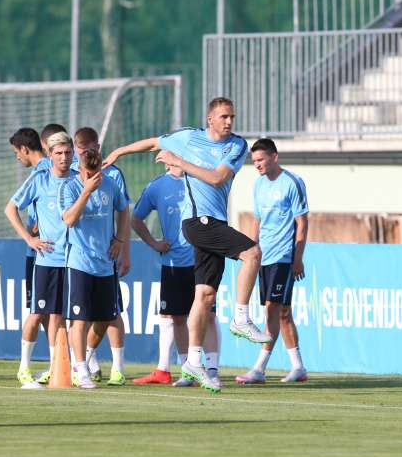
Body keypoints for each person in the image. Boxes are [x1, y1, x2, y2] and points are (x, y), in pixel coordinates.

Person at [104, 97, 268, 393]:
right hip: (197, 223)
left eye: (232, 116)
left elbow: (218, 179)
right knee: (252, 253)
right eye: (223, 117)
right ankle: (242, 317)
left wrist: (180, 162)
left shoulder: (237, 145)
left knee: (204, 296)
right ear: (210, 119)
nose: (229, 121)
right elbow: (154, 142)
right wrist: (119, 151)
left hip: (215, 223)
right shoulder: (189, 138)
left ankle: (193, 360)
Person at [131, 163, 222, 386]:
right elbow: (135, 218)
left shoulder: (201, 180)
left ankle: (211, 370)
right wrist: (154, 243)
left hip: (202, 259)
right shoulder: (157, 186)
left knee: (208, 315)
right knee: (178, 318)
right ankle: (188, 371)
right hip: (173, 264)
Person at [235, 139, 309, 385]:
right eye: (254, 161)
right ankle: (298, 367)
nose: (257, 165)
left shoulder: (292, 183)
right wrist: (250, 250)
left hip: (283, 257)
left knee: (272, 310)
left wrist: (298, 258)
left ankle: (259, 368)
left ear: (274, 157)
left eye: (261, 160)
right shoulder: (258, 185)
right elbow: (257, 220)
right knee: (284, 313)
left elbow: (302, 222)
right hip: (263, 257)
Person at [5, 129, 75, 388]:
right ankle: (24, 368)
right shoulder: (40, 179)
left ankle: (56, 367)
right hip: (45, 258)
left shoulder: (77, 180)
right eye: (59, 153)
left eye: (68, 152)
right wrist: (29, 239)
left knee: (57, 316)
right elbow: (10, 208)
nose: (64, 157)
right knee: (36, 313)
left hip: (70, 259)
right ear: (50, 153)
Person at [59, 148, 129, 389]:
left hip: (105, 264)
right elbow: (69, 220)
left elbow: (124, 209)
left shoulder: (110, 185)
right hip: (79, 263)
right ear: (80, 169)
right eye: (89, 172)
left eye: (97, 171)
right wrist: (87, 191)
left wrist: (120, 240)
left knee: (105, 320)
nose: (94, 176)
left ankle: (85, 360)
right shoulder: (69, 188)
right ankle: (81, 369)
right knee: (79, 320)